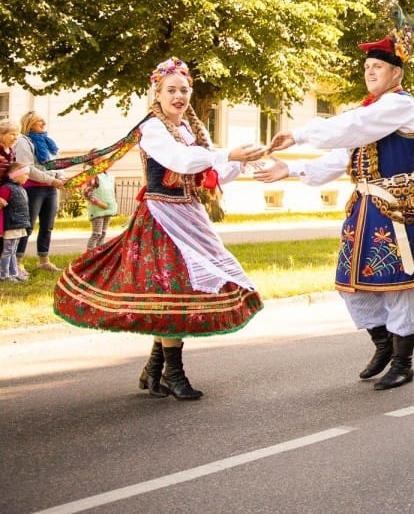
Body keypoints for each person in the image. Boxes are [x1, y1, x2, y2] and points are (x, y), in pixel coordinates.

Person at [52, 58, 265, 400]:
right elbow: (180, 161)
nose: (178, 95)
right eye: (171, 90)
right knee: (172, 291)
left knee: (177, 293)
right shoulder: (152, 128)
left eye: (183, 90)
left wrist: (243, 160)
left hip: (190, 215)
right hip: (161, 218)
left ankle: (154, 370)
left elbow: (209, 175)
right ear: (158, 93)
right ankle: (173, 374)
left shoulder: (193, 130)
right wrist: (224, 153)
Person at [255, 21, 414, 391]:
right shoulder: (369, 112)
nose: (370, 71)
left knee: (399, 285)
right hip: (364, 208)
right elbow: (342, 157)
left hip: (396, 207)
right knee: (350, 284)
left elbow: (354, 127)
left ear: (396, 72)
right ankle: (383, 344)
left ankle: (404, 362)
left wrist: (300, 134)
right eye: (367, 67)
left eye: (378, 67)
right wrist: (290, 169)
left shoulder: (401, 106)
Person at [14, 111, 67, 275]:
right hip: (33, 187)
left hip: (50, 188)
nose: (44, 122)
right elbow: (27, 167)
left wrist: (61, 177)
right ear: (29, 123)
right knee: (27, 225)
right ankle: (18, 262)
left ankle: (44, 260)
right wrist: (51, 180)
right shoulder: (24, 141)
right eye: (39, 121)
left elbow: (56, 163)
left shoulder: (48, 142)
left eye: (44, 120)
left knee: (47, 226)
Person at [1, 120, 32, 282]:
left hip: (7, 192)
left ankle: (11, 272)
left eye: (17, 134)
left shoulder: (11, 151)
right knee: (7, 245)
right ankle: (5, 273)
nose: (15, 137)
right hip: (3, 193)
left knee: (9, 245)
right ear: (1, 135)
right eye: (12, 134)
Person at [83, 169, 119, 250]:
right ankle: (89, 257)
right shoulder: (93, 175)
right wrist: (100, 204)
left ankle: (98, 255)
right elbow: (86, 193)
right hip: (97, 210)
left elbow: (112, 193)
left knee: (103, 234)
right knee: (97, 234)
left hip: (108, 210)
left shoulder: (109, 176)